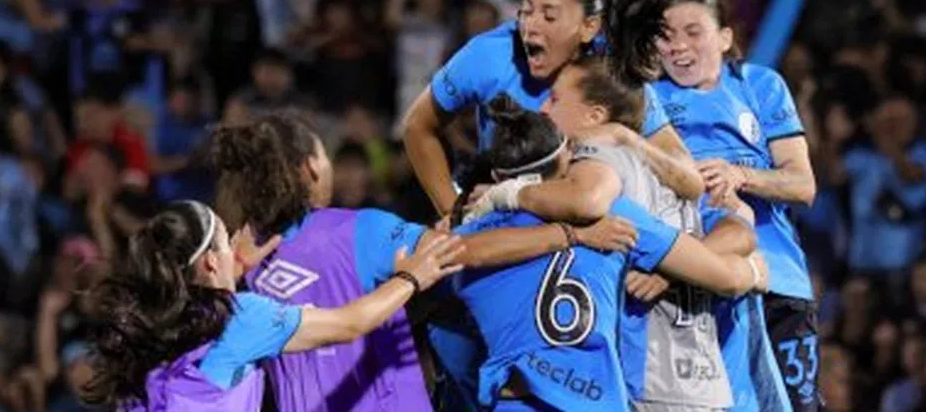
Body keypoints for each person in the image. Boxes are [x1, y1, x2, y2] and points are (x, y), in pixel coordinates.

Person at [208, 110, 638, 412]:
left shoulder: (239, 257)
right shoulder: (361, 231)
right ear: (310, 169)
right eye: (326, 154)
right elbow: (460, 251)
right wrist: (569, 234)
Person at [440, 95, 767, 411]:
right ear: (568, 154)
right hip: (598, 401)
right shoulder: (613, 217)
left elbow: (438, 293)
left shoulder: (468, 238)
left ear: (498, 176)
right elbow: (724, 276)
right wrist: (754, 270)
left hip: (516, 401)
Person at [82, 200, 464, 411]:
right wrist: (413, 276)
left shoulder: (149, 329)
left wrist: (236, 269)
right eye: (225, 240)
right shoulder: (241, 319)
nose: (235, 245)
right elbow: (350, 323)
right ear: (212, 262)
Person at [402, 0, 704, 224]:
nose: (530, 26)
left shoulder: (609, 72)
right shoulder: (489, 55)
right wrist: (452, 214)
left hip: (594, 227)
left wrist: (625, 137)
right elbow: (418, 126)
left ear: (589, 27)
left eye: (549, 16)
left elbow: (690, 182)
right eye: (526, 11)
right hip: (503, 220)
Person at [650, 0, 817, 411]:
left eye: (693, 31)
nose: (678, 47)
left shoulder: (760, 85)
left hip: (778, 282)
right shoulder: (645, 99)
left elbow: (802, 185)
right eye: (666, 35)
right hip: (694, 285)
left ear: (725, 37)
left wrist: (739, 174)